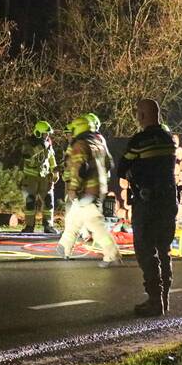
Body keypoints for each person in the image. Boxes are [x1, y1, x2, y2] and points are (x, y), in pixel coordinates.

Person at [117, 99, 177, 317]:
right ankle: (164, 299)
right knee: (164, 249)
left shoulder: (139, 141)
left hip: (148, 202)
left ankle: (154, 300)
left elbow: (121, 168)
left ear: (142, 115)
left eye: (138, 113)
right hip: (169, 200)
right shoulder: (168, 138)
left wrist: (134, 171)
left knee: (146, 250)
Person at [58, 115, 122, 268]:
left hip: (86, 191)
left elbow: (78, 169)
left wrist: (73, 188)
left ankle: (112, 254)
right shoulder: (98, 142)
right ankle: (64, 247)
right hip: (98, 188)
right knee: (74, 219)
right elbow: (109, 163)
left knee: (95, 224)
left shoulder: (80, 144)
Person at [19, 120, 59, 234]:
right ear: (38, 133)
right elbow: (27, 156)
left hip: (45, 177)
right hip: (30, 178)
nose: (47, 136)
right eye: (45, 133)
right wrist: (40, 147)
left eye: (48, 134)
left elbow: (51, 158)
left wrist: (55, 171)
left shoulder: (48, 143)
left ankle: (48, 226)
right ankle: (29, 226)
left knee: (49, 201)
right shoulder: (28, 143)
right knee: (30, 202)